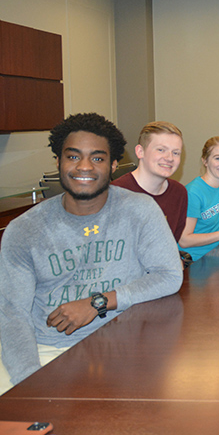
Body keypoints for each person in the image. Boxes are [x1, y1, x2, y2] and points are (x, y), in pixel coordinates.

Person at [0, 113, 183, 390]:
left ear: (112, 166)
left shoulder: (140, 210)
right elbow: (13, 315)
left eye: (97, 158)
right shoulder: (24, 230)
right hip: (47, 351)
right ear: (58, 162)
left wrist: (97, 302)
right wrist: (30, 382)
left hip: (124, 347)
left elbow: (169, 275)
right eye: (73, 157)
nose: (84, 166)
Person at [112, 121, 187, 242]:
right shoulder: (116, 193)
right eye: (161, 150)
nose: (169, 158)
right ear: (140, 152)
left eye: (176, 152)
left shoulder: (179, 193)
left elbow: (171, 244)